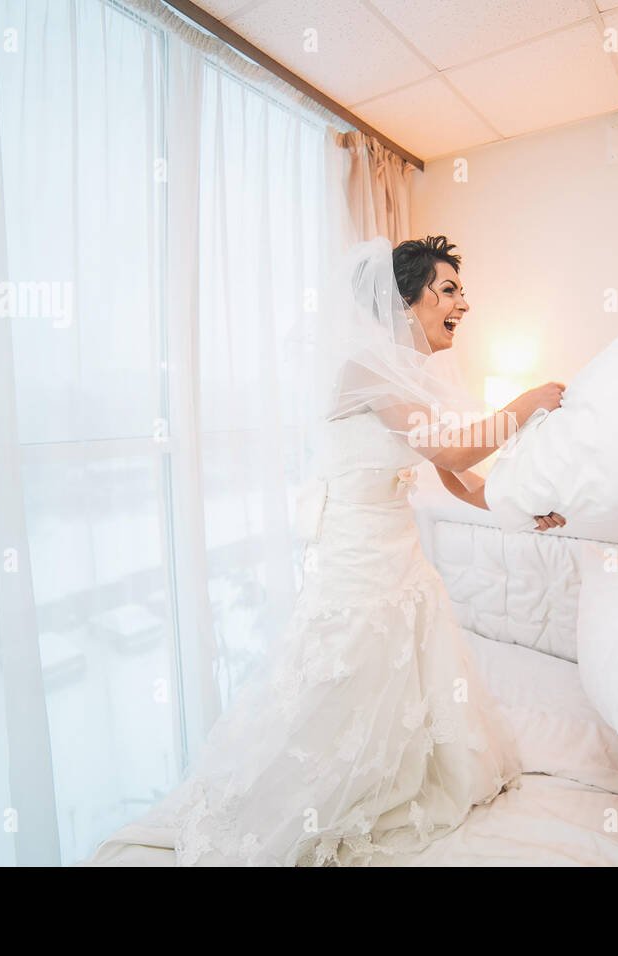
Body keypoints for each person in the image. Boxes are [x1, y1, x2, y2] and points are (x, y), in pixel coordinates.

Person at [97, 235, 565, 866]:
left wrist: (517, 509)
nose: (464, 305)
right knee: (338, 685)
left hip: (400, 554)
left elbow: (456, 477)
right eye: (449, 290)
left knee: (404, 683)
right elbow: (453, 449)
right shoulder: (366, 369)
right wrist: (526, 404)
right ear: (406, 300)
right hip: (357, 560)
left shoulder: (411, 378)